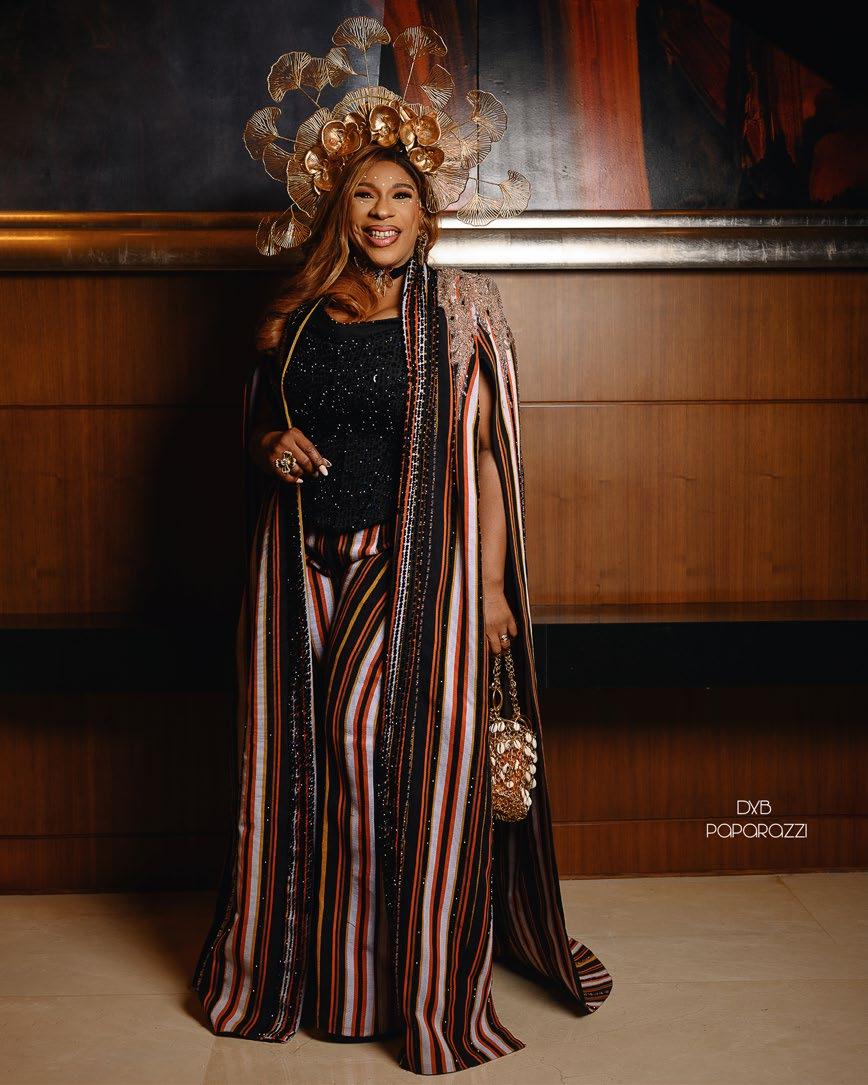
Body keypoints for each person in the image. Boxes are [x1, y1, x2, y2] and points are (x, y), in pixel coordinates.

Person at [190, 18, 612, 1076]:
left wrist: (496, 589)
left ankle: (418, 975)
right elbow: (258, 425)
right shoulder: (296, 314)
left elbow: (486, 458)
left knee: (363, 741)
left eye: (401, 196)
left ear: (428, 211)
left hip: (414, 568)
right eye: (364, 195)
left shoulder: (458, 310)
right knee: (308, 767)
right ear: (338, 206)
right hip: (300, 569)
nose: (382, 212)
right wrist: (272, 444)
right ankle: (341, 983)